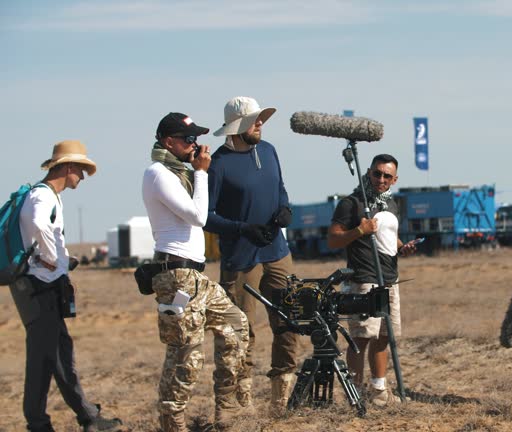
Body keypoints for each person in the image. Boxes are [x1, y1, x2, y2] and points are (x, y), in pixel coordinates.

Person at [142, 113, 249, 431]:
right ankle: (172, 422)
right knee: (186, 356)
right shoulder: (158, 173)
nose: (195, 145)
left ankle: (226, 408)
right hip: (176, 276)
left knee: (235, 325)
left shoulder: (180, 174)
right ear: (168, 142)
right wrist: (201, 173)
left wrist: (198, 172)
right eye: (188, 140)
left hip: (195, 276)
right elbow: (197, 216)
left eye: (195, 139)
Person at [9, 140, 122, 432]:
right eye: (81, 170)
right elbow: (35, 222)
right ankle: (54, 421)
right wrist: (52, 260)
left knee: (53, 355)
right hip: (39, 288)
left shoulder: (45, 196)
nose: (82, 177)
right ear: (68, 166)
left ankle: (77, 417)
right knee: (49, 358)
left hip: (38, 287)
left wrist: (60, 258)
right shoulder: (42, 196)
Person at [204, 96, 299, 414]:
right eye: (254, 120)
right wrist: (242, 228)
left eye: (261, 119)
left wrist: (285, 207)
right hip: (241, 259)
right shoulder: (218, 164)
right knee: (240, 331)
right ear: (237, 126)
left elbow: (280, 187)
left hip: (277, 252)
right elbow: (206, 215)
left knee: (288, 320)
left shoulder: (269, 151)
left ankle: (281, 397)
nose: (260, 124)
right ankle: (240, 400)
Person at [327, 154, 419, 407]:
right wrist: (359, 231)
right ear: (368, 172)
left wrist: (403, 248)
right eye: (377, 173)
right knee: (361, 337)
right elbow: (333, 239)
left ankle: (379, 390)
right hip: (363, 280)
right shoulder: (352, 203)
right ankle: (354, 392)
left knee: (383, 336)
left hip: (390, 279)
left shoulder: (392, 204)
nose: (381, 179)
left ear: (394, 179)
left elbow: (390, 238)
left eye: (387, 176)